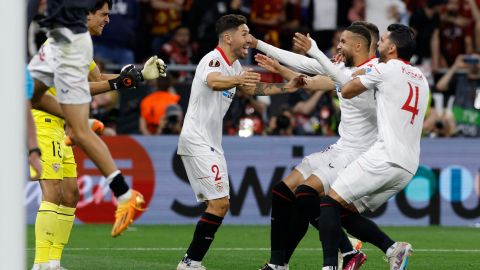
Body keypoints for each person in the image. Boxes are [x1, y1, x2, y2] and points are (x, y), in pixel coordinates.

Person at [29, 1, 166, 269]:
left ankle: (53, 263)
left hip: (57, 120)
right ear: (86, 14)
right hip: (42, 122)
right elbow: (82, 87)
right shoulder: (63, 45)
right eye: (103, 14)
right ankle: (40, 264)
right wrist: (118, 83)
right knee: (53, 191)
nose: (108, 19)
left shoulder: (79, 43)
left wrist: (139, 75)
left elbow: (97, 76)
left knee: (70, 195)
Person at [176, 14, 305, 270]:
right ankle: (190, 262)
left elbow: (251, 90)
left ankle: (191, 262)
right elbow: (213, 81)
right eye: (244, 34)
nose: (249, 39)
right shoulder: (212, 60)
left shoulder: (233, 66)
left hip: (211, 142)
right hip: (198, 140)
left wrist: (286, 88)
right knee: (220, 203)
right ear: (228, 37)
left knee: (219, 204)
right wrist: (237, 79)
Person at [252, 22, 380, 270]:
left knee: (306, 195)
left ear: (362, 44)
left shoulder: (376, 72)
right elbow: (310, 80)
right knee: (282, 192)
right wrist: (271, 58)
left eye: (343, 41)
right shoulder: (344, 68)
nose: (339, 46)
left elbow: (322, 69)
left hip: (358, 153)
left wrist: (316, 52)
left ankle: (345, 251)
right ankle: (279, 264)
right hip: (341, 147)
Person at [318, 23, 429, 270]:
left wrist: (345, 72)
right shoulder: (421, 77)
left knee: (327, 202)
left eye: (382, 40)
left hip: (385, 157)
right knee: (343, 211)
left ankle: (332, 265)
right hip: (408, 166)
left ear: (392, 47)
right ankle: (393, 249)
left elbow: (346, 91)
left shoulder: (385, 68)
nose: (377, 44)